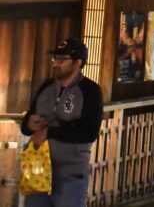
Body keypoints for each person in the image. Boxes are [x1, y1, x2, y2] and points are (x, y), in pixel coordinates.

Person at [20, 38, 103, 207]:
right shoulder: (47, 87)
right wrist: (30, 123)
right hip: (38, 171)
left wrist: (50, 132)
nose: (56, 63)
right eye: (54, 58)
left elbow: (89, 132)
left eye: (61, 59)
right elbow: (26, 125)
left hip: (70, 175)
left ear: (78, 62)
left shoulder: (90, 91)